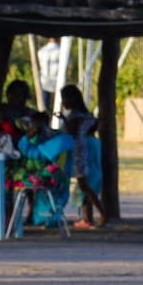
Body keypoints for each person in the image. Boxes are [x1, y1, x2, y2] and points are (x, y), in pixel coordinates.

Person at [60, 84, 105, 229]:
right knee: (84, 185)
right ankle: (88, 218)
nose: (63, 103)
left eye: (64, 99)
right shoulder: (86, 115)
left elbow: (72, 132)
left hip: (80, 153)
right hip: (88, 151)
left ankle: (103, 213)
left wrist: (64, 121)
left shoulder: (75, 116)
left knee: (84, 185)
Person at [37, 37, 61, 111]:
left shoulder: (41, 51)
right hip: (57, 82)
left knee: (45, 107)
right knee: (58, 107)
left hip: (44, 82)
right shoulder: (61, 51)